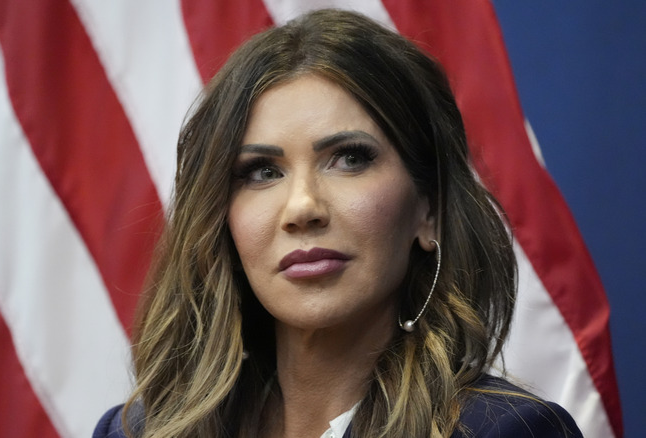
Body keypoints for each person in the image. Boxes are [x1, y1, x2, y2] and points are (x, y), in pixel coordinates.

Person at [94, 8, 582, 438]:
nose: (303, 206)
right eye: (262, 172)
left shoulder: (502, 432)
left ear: (427, 209)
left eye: (349, 159)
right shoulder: (135, 432)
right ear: (221, 220)